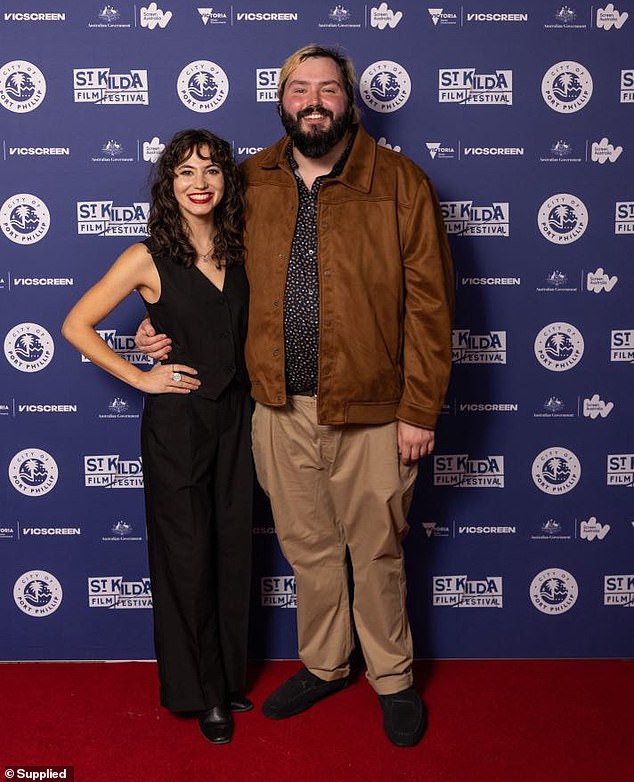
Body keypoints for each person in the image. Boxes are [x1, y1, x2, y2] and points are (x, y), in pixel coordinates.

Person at [138, 44, 454, 747]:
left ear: (350, 101)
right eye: (300, 88)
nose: (314, 100)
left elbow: (432, 309)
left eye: (329, 89)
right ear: (283, 100)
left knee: (375, 549)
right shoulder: (251, 181)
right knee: (308, 549)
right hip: (277, 407)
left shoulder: (401, 182)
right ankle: (325, 662)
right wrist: (156, 320)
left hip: (374, 408)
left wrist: (418, 410)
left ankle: (393, 676)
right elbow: (197, 265)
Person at [62, 129, 254, 745]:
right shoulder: (146, 256)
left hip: (242, 418)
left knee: (230, 548)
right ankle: (201, 694)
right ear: (168, 186)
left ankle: (226, 677)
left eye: (212, 171)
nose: (200, 183)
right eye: (185, 173)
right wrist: (141, 376)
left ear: (227, 182)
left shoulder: (246, 246)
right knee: (188, 556)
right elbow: (76, 324)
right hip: (179, 424)